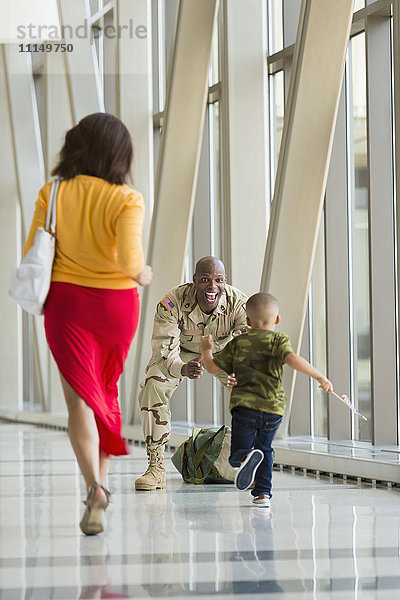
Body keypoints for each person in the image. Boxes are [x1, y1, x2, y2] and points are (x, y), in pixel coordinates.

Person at [23, 112, 152, 535]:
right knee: (106, 391)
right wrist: (143, 274)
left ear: (74, 147)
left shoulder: (53, 192)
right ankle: (102, 484)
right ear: (120, 154)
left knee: (79, 400)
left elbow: (32, 250)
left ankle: (94, 488)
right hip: (116, 306)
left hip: (66, 306)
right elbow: (131, 262)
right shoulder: (127, 200)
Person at [200, 292, 333, 507]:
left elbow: (212, 367)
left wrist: (207, 350)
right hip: (273, 409)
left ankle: (244, 458)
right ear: (277, 319)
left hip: (245, 408)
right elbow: (293, 359)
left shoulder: (238, 343)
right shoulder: (279, 340)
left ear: (248, 321)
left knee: (238, 454)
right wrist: (320, 376)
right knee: (265, 449)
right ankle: (263, 494)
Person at [135, 256, 248, 491]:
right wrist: (182, 368)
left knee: (250, 386)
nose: (212, 286)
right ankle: (156, 467)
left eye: (219, 280)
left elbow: (247, 344)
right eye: (205, 279)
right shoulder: (172, 302)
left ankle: (249, 461)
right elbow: (164, 349)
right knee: (152, 386)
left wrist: (231, 367)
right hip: (181, 353)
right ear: (194, 280)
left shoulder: (238, 303)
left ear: (225, 281)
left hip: (221, 352)